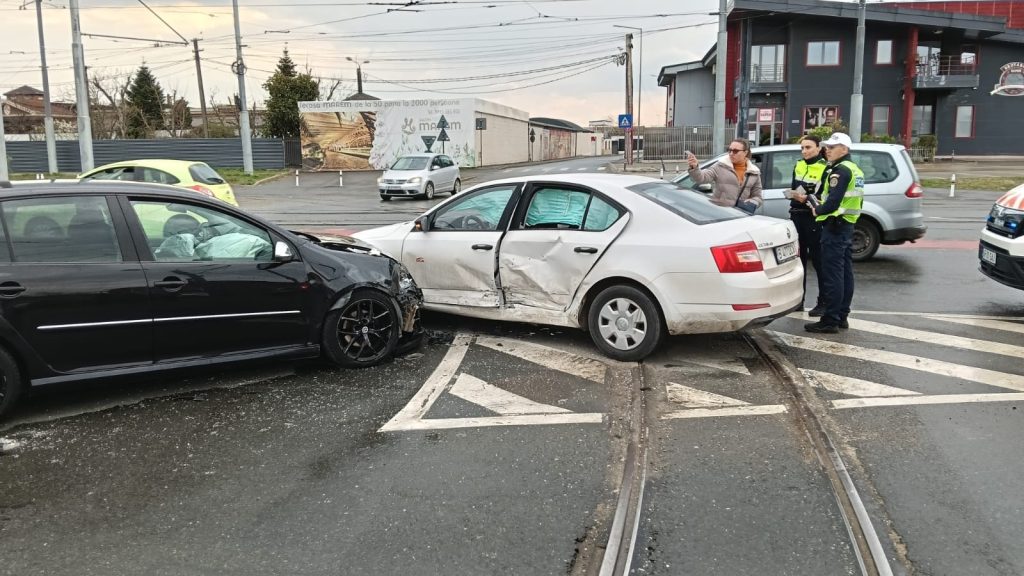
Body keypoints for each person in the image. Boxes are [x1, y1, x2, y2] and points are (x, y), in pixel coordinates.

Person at [805, 132, 864, 334]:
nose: (827, 150)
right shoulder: (854, 169)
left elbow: (832, 202)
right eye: (827, 146)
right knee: (845, 273)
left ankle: (830, 319)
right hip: (846, 225)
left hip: (835, 226)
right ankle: (841, 316)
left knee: (833, 275)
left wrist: (817, 209)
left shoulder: (840, 171)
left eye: (832, 147)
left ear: (844, 150)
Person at [789, 135, 828, 314]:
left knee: (819, 261)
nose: (804, 151)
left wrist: (806, 199)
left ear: (819, 148)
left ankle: (823, 302)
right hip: (796, 214)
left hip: (813, 216)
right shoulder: (799, 164)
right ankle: (799, 300)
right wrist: (794, 195)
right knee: (799, 261)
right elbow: (795, 187)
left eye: (808, 147)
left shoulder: (825, 168)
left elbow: (823, 196)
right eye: (802, 148)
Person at [686, 139, 763, 213]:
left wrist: (753, 202)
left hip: (740, 214)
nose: (731, 153)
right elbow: (702, 178)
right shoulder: (720, 166)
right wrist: (695, 167)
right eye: (729, 150)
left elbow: (758, 197)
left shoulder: (754, 172)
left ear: (745, 152)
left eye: (735, 151)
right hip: (720, 213)